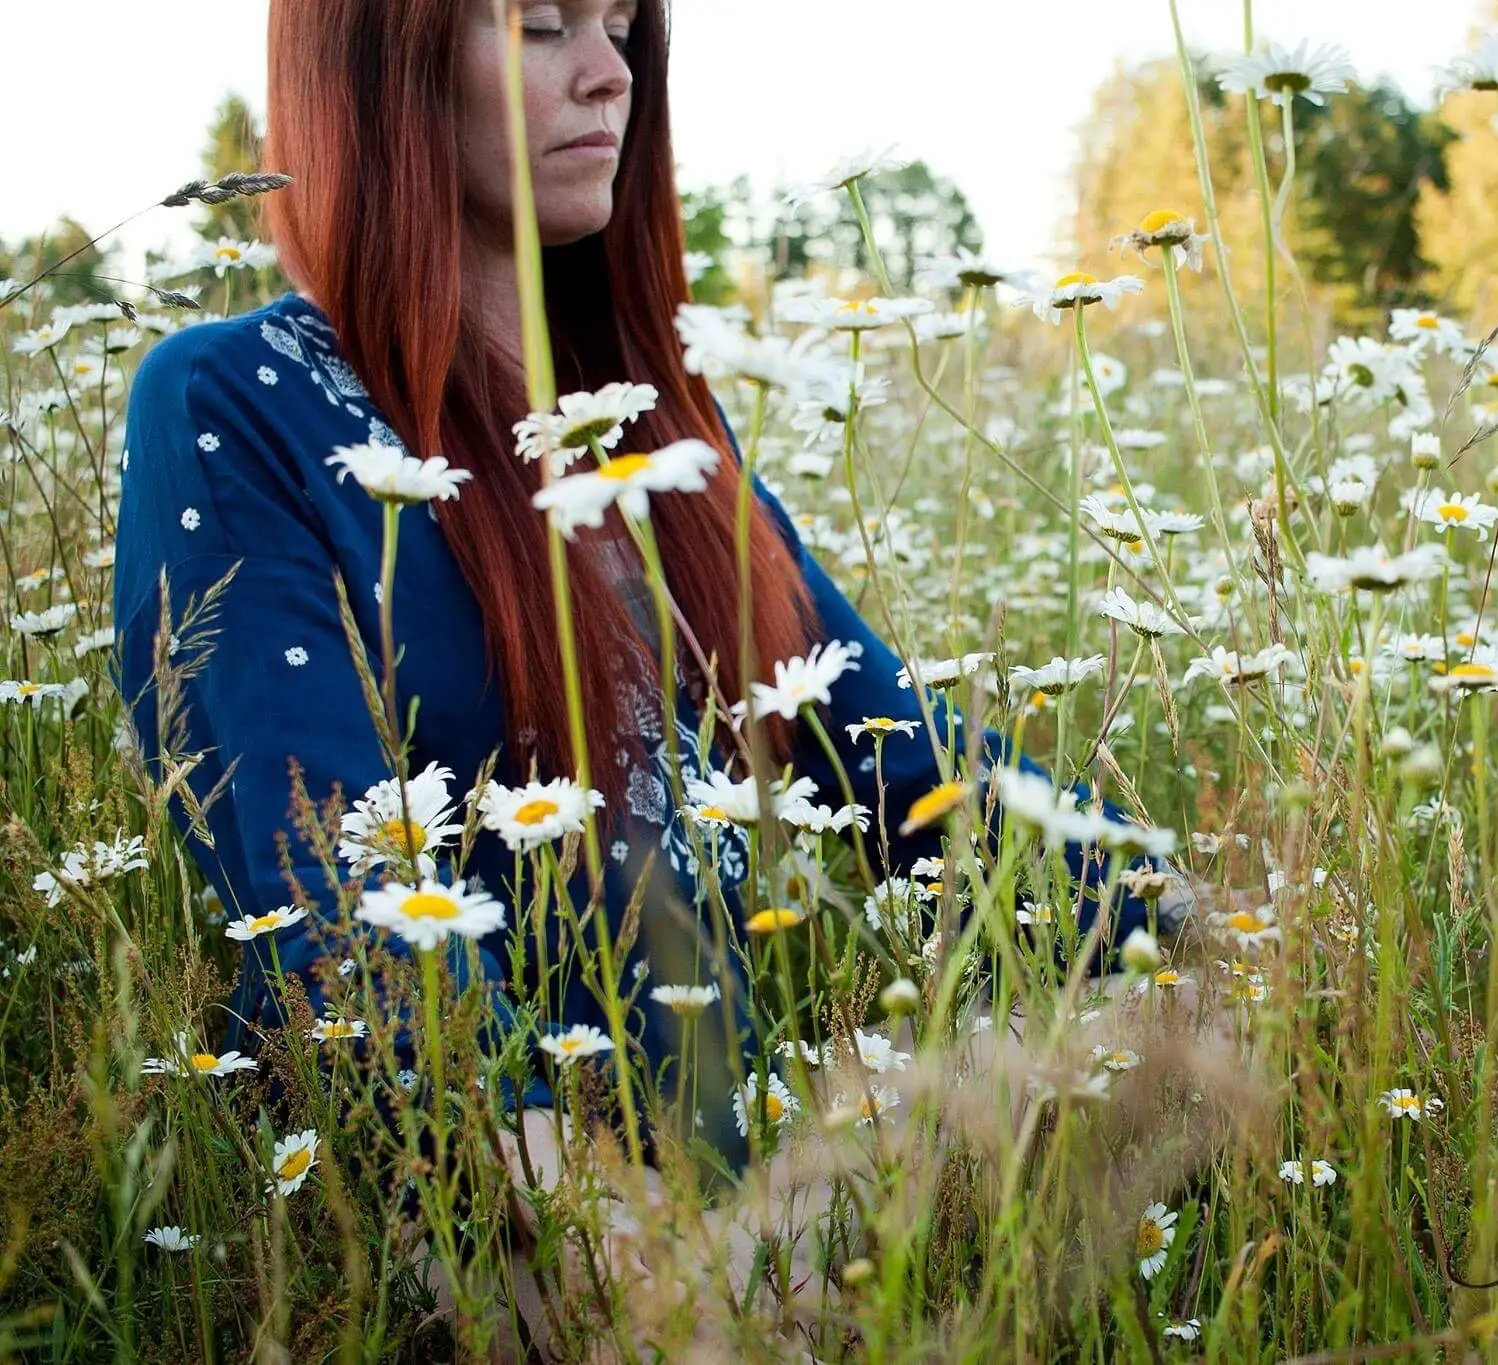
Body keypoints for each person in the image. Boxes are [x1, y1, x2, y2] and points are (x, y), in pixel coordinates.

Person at [113, 0, 1189, 1202]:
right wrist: (596, 1233)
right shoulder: (238, 402)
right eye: (540, 25)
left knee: (1172, 1041)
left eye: (620, 27)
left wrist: (1181, 918)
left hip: (755, 1192)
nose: (606, 75)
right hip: (474, 1211)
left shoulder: (651, 421)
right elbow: (332, 896)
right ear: (376, 63)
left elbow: (890, 754)